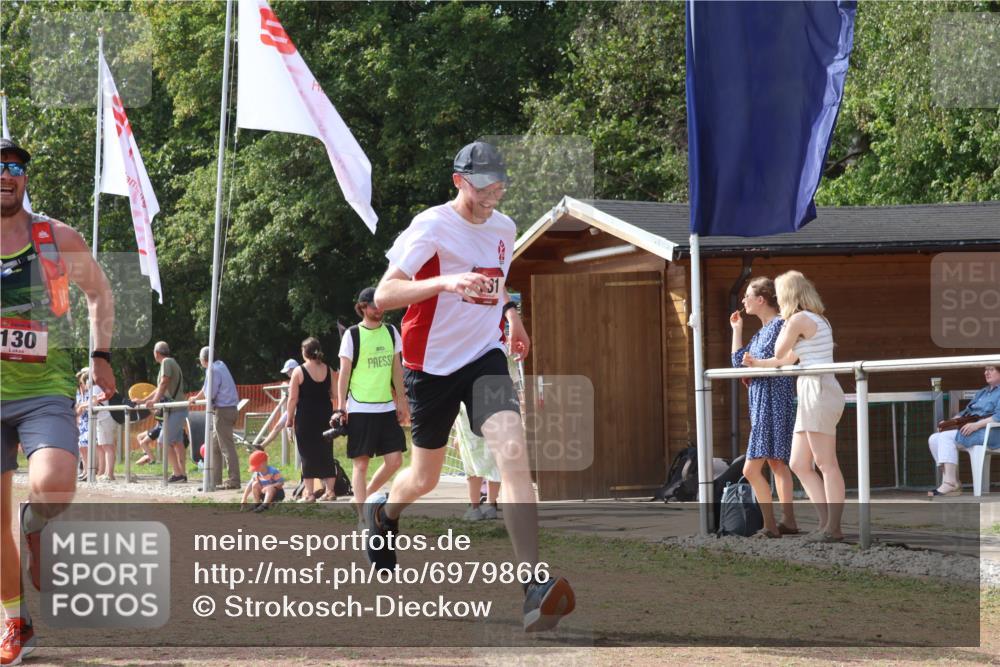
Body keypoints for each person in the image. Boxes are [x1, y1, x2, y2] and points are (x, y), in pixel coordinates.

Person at [368, 140, 575, 632]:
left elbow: (497, 280)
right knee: (426, 478)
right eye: (484, 186)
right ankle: (383, 514)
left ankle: (532, 586)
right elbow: (384, 293)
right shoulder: (433, 225)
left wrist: (513, 316)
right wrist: (445, 282)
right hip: (430, 364)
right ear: (460, 182)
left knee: (513, 451)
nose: (493, 194)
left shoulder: (504, 226)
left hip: (485, 355)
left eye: (500, 184)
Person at [1, 137, 116, 666]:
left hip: (43, 389)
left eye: (12, 167)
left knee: (54, 484)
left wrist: (100, 354)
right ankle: (15, 622)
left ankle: (37, 522)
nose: (4, 176)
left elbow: (100, 292)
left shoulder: (55, 237)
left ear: (24, 177)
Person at [743, 270, 846, 543]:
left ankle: (833, 527)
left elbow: (778, 351)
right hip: (812, 390)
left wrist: (785, 324)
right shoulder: (813, 320)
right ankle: (826, 524)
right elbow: (787, 360)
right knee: (799, 463)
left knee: (826, 463)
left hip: (818, 390)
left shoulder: (798, 319)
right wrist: (757, 364)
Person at [730, 277, 798, 538]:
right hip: (761, 400)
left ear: (761, 299)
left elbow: (781, 359)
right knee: (777, 463)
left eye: (747, 295)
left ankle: (771, 525)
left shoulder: (780, 325)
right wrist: (737, 330)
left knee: (753, 468)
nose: (743, 300)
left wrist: (756, 364)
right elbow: (739, 363)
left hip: (773, 399)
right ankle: (787, 520)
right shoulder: (761, 331)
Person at [337, 287, 408, 520]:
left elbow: (397, 369)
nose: (379, 309)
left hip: (386, 406)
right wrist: (341, 406)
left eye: (381, 304)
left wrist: (402, 401)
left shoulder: (391, 331)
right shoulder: (352, 335)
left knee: (395, 460)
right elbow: (344, 374)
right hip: (359, 407)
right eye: (374, 305)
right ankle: (362, 517)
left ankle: (365, 495)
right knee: (361, 465)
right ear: (362, 307)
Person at [927, 366, 1000, 497]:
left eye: (991, 369)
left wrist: (977, 425)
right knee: (934, 439)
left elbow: (998, 416)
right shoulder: (983, 392)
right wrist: (951, 422)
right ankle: (952, 481)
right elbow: (966, 412)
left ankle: (950, 484)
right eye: (985, 369)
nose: (986, 372)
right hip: (973, 429)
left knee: (946, 437)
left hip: (992, 432)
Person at [285, 337, 338, 502]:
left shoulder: (298, 371)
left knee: (306, 453)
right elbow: (335, 394)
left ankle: (309, 494)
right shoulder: (328, 369)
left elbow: (293, 398)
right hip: (325, 415)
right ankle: (330, 491)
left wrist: (289, 419)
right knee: (326, 453)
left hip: (306, 417)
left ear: (305, 352)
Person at [189, 346, 241, 490]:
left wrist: (201, 398)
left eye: (200, 360)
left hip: (223, 411)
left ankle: (234, 480)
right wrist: (196, 398)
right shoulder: (220, 365)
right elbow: (207, 389)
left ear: (203, 360)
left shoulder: (211, 369)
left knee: (226, 447)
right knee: (214, 446)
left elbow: (210, 393)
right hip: (227, 410)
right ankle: (214, 480)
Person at [143, 341, 188, 483]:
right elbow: (160, 387)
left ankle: (178, 473)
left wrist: (154, 401)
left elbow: (164, 382)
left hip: (174, 409)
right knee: (178, 441)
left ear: (156, 353)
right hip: (177, 408)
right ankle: (182, 473)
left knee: (163, 440)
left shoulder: (166, 362)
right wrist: (144, 399)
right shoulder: (171, 361)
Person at [453, 403, 501, 521]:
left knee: (472, 463)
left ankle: (475, 508)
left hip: (469, 412)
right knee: (492, 464)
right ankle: (490, 507)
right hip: (490, 411)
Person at [255, 359, 298, 450]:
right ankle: (262, 446)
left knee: (297, 431)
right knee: (278, 426)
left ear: (293, 369)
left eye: (288, 371)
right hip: (292, 409)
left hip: (300, 409)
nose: (287, 374)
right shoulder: (292, 381)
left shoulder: (300, 378)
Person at [74, 368, 92, 481]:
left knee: (87, 446)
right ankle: (85, 470)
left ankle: (90, 470)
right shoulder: (78, 391)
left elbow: (91, 401)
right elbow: (77, 403)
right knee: (82, 447)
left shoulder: (89, 389)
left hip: (88, 420)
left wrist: (81, 407)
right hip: (81, 420)